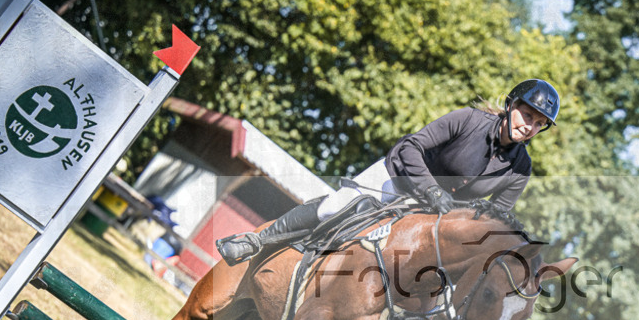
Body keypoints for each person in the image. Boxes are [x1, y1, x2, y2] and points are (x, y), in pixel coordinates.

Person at [216, 78, 560, 265]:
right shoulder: (467, 120)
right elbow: (410, 147)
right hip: (397, 178)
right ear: (511, 106)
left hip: (436, 216)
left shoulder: (520, 169)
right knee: (337, 206)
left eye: (539, 124)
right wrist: (432, 191)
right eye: (527, 115)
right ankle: (256, 240)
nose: (530, 126)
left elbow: (493, 216)